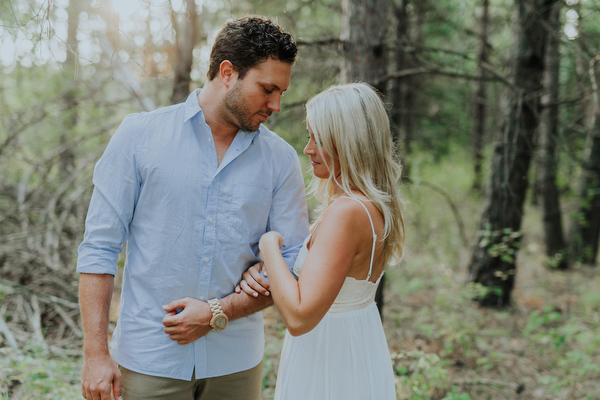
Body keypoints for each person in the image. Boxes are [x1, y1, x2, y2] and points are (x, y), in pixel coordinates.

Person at [77, 16, 309, 400]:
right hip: (150, 361)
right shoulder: (139, 136)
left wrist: (220, 311)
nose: (277, 105)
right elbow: (98, 249)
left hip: (236, 365)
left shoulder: (280, 160)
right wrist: (96, 353)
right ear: (228, 73)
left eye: (281, 92)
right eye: (267, 89)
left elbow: (293, 265)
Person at [238, 82, 404, 399]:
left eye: (320, 139)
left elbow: (299, 316)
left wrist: (269, 246)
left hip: (330, 357)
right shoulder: (371, 206)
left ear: (349, 143)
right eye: (310, 135)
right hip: (356, 345)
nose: (308, 148)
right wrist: (268, 271)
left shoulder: (347, 213)